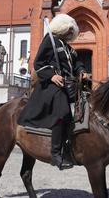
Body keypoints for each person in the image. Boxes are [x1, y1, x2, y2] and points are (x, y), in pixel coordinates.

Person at [18, 14, 88, 170]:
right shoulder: (49, 40)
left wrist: (82, 71)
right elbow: (39, 63)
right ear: (63, 28)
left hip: (69, 85)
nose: (72, 33)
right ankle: (56, 154)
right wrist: (52, 75)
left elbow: (77, 63)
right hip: (51, 86)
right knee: (62, 112)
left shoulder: (68, 48)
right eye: (70, 30)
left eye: (72, 31)